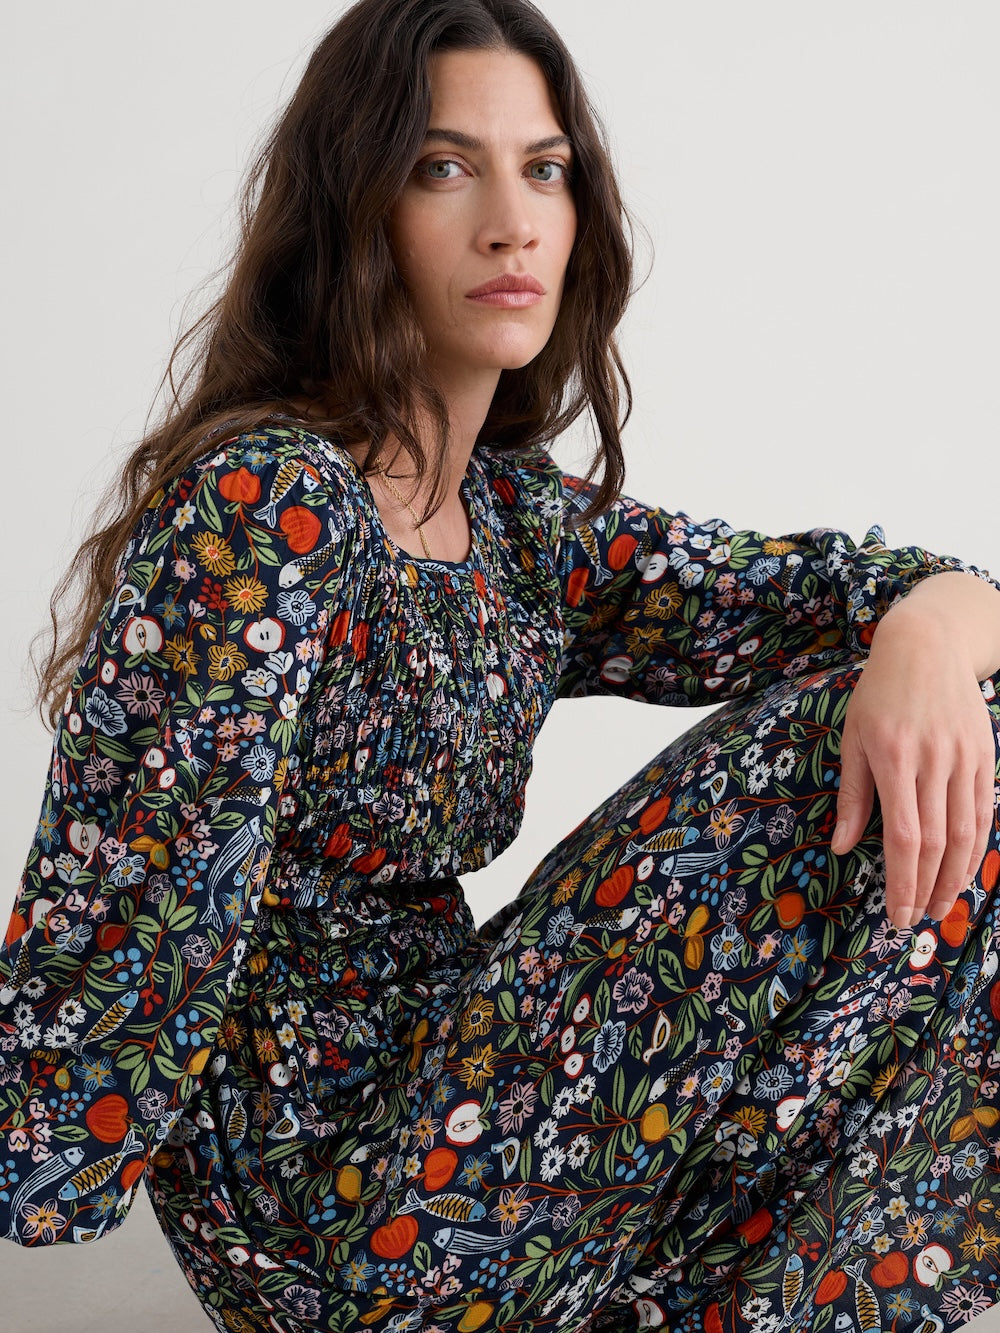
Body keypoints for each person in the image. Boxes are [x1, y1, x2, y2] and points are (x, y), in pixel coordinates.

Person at [1, 1, 999, 1330]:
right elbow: (131, 903)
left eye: (544, 168)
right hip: (337, 1201)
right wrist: (40, 1158)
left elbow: (877, 588)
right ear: (357, 207)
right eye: (443, 165)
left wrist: (926, 633)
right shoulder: (270, 507)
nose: (511, 220)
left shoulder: (518, 531)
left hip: (480, 1143)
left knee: (954, 713)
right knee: (826, 744)